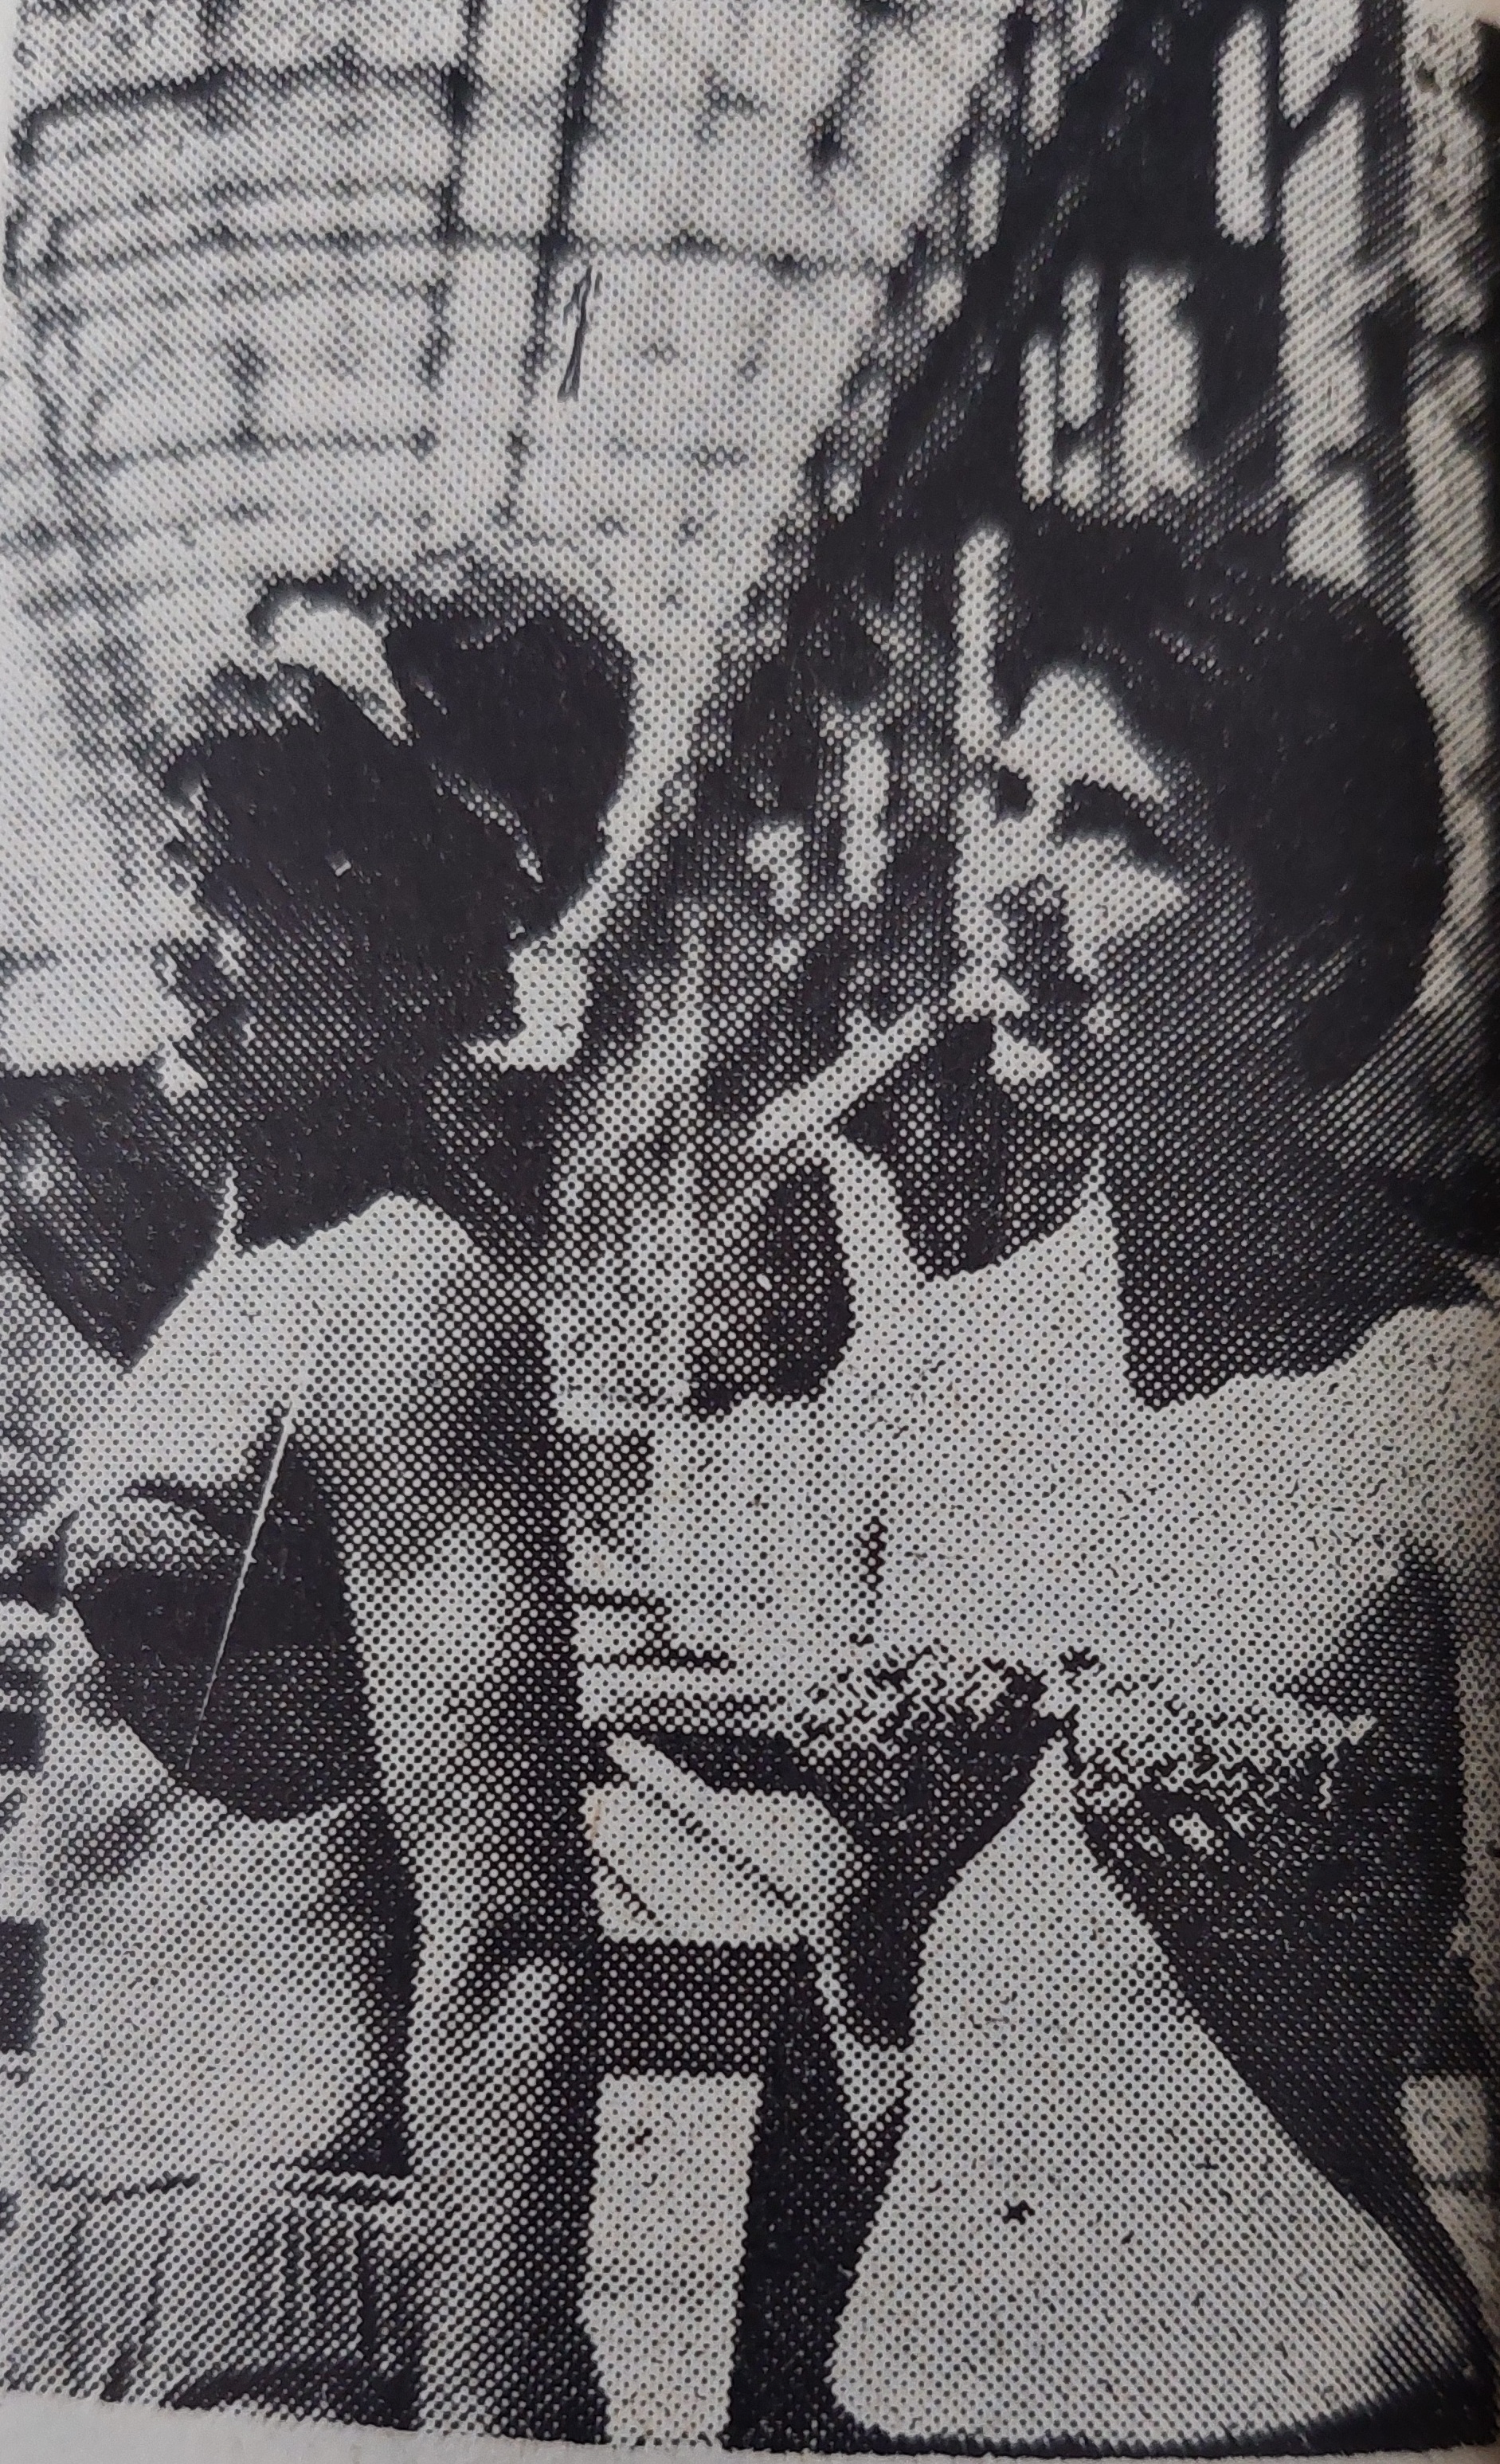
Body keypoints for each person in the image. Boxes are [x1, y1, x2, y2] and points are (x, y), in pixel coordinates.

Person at [724, 518, 1498, 2453]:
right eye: (1012, 802)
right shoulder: (912, 1385)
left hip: (1305, 2419)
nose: (1011, 882)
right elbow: (861, 2006)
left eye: (1113, 829)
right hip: (897, 2406)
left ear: (1310, 940)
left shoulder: (1445, 1405)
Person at [0, 570, 633, 2435]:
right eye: (188, 866)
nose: (182, 942)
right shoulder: (250, 1279)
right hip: (101, 2261)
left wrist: (484, 2424)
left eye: (261, 884)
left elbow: (515, 1927)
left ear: (428, 931)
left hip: (276, 2291)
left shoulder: (405, 1294)